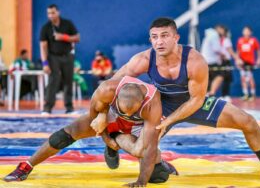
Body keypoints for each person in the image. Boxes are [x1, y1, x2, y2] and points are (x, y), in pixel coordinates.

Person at [106, 17, 260, 182]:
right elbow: (112, 84)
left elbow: (197, 100)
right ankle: (117, 144)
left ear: (176, 37)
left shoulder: (194, 60)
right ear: (150, 40)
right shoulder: (144, 59)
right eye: (154, 37)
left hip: (192, 104)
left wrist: (170, 121)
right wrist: (102, 115)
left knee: (247, 121)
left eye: (164, 36)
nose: (159, 42)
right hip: (161, 105)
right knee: (146, 157)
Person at [4, 76, 177, 186]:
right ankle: (26, 165)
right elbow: (94, 122)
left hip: (138, 126)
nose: (128, 115)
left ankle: (156, 160)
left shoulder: (153, 105)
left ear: (141, 103)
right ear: (116, 99)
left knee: (156, 174)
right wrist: (106, 136)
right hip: (110, 116)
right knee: (62, 136)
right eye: (125, 111)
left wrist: (141, 182)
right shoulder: (106, 90)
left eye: (133, 111)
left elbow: (150, 145)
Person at [40, 4, 80, 114]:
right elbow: (43, 46)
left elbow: (77, 38)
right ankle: (47, 108)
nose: (51, 15)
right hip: (53, 57)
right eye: (48, 13)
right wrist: (45, 63)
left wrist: (63, 37)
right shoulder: (46, 28)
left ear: (58, 12)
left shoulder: (68, 24)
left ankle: (69, 108)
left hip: (67, 56)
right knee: (53, 81)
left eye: (53, 12)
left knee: (68, 81)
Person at [214, 24, 243, 101]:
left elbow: (230, 51)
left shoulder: (225, 40)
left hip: (225, 61)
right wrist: (237, 59)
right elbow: (230, 51)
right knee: (224, 78)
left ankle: (225, 95)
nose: (220, 31)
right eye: (219, 29)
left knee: (227, 78)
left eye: (221, 29)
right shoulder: (217, 40)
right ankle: (224, 95)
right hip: (222, 62)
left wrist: (237, 59)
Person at [237, 26, 260, 101]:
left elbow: (258, 50)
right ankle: (245, 94)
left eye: (247, 31)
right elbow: (238, 51)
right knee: (243, 78)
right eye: (244, 30)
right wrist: (237, 60)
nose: (246, 32)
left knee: (250, 78)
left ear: (250, 32)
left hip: (250, 62)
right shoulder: (240, 40)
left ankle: (253, 94)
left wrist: (259, 59)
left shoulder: (253, 40)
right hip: (242, 62)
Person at [200, 27, 225, 97]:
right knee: (220, 76)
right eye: (223, 30)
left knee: (209, 79)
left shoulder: (208, 35)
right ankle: (212, 93)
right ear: (219, 29)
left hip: (204, 61)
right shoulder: (214, 35)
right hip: (211, 61)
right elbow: (216, 49)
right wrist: (223, 54)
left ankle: (206, 94)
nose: (223, 32)